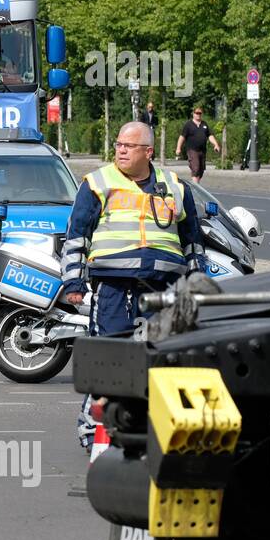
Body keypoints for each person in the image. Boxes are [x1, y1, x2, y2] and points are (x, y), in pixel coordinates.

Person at [62, 121, 206, 450]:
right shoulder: (97, 183)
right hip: (114, 288)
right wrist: (73, 281)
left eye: (129, 146)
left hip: (165, 290)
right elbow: (76, 237)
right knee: (109, 361)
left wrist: (197, 282)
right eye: (118, 145)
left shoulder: (175, 187)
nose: (121, 150)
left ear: (148, 152)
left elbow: (192, 240)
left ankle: (153, 429)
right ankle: (94, 432)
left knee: (162, 361)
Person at [175, 106, 220, 182]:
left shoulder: (204, 124)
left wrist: (216, 144)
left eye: (200, 113)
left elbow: (210, 135)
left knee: (201, 170)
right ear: (193, 114)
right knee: (195, 168)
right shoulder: (188, 125)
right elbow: (182, 137)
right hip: (192, 150)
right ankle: (195, 188)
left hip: (202, 151)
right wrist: (178, 148)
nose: (198, 115)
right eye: (197, 113)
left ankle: (196, 186)